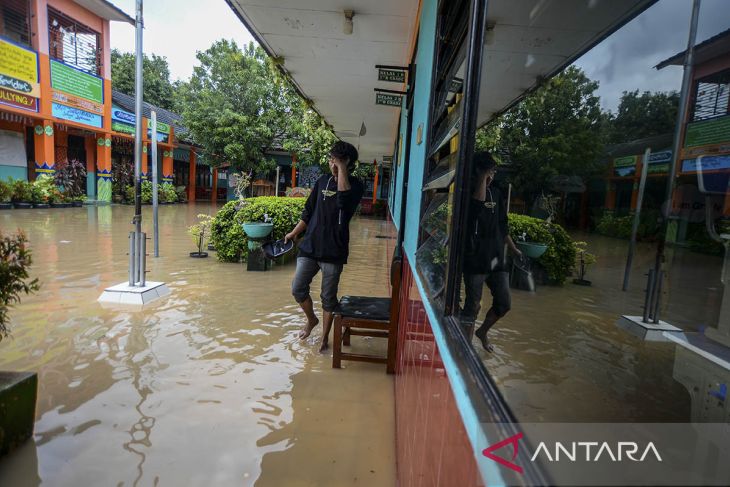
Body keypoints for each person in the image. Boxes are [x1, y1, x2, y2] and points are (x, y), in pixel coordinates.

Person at [284, 141, 365, 352]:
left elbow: (343, 202)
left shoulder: (356, 185)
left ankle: (324, 338)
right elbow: (308, 213)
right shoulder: (321, 181)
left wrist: (341, 171)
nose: (331, 163)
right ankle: (312, 320)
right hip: (310, 247)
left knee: (328, 297)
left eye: (336, 160)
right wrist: (294, 233)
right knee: (297, 288)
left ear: (347, 162)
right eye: (331, 159)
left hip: (334, 251)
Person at [461, 151, 522, 352]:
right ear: (478, 171)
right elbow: (475, 208)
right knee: (473, 306)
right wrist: (481, 181)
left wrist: (513, 249)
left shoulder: (497, 193)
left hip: (497, 258)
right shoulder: (468, 190)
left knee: (504, 303)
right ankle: (465, 348)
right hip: (474, 258)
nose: (492, 175)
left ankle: (482, 332)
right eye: (488, 171)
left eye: (493, 171)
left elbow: (502, 226)